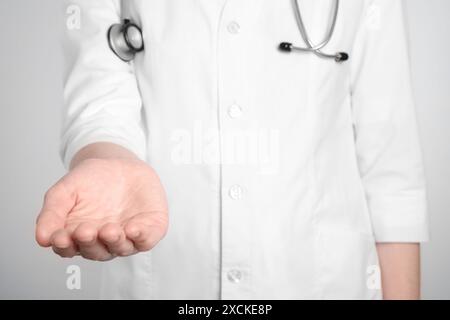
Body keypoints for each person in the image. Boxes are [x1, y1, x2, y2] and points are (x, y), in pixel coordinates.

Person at [36, 0, 429, 300]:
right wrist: (107, 157)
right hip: (167, 280)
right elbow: (99, 93)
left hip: (322, 282)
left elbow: (391, 170)